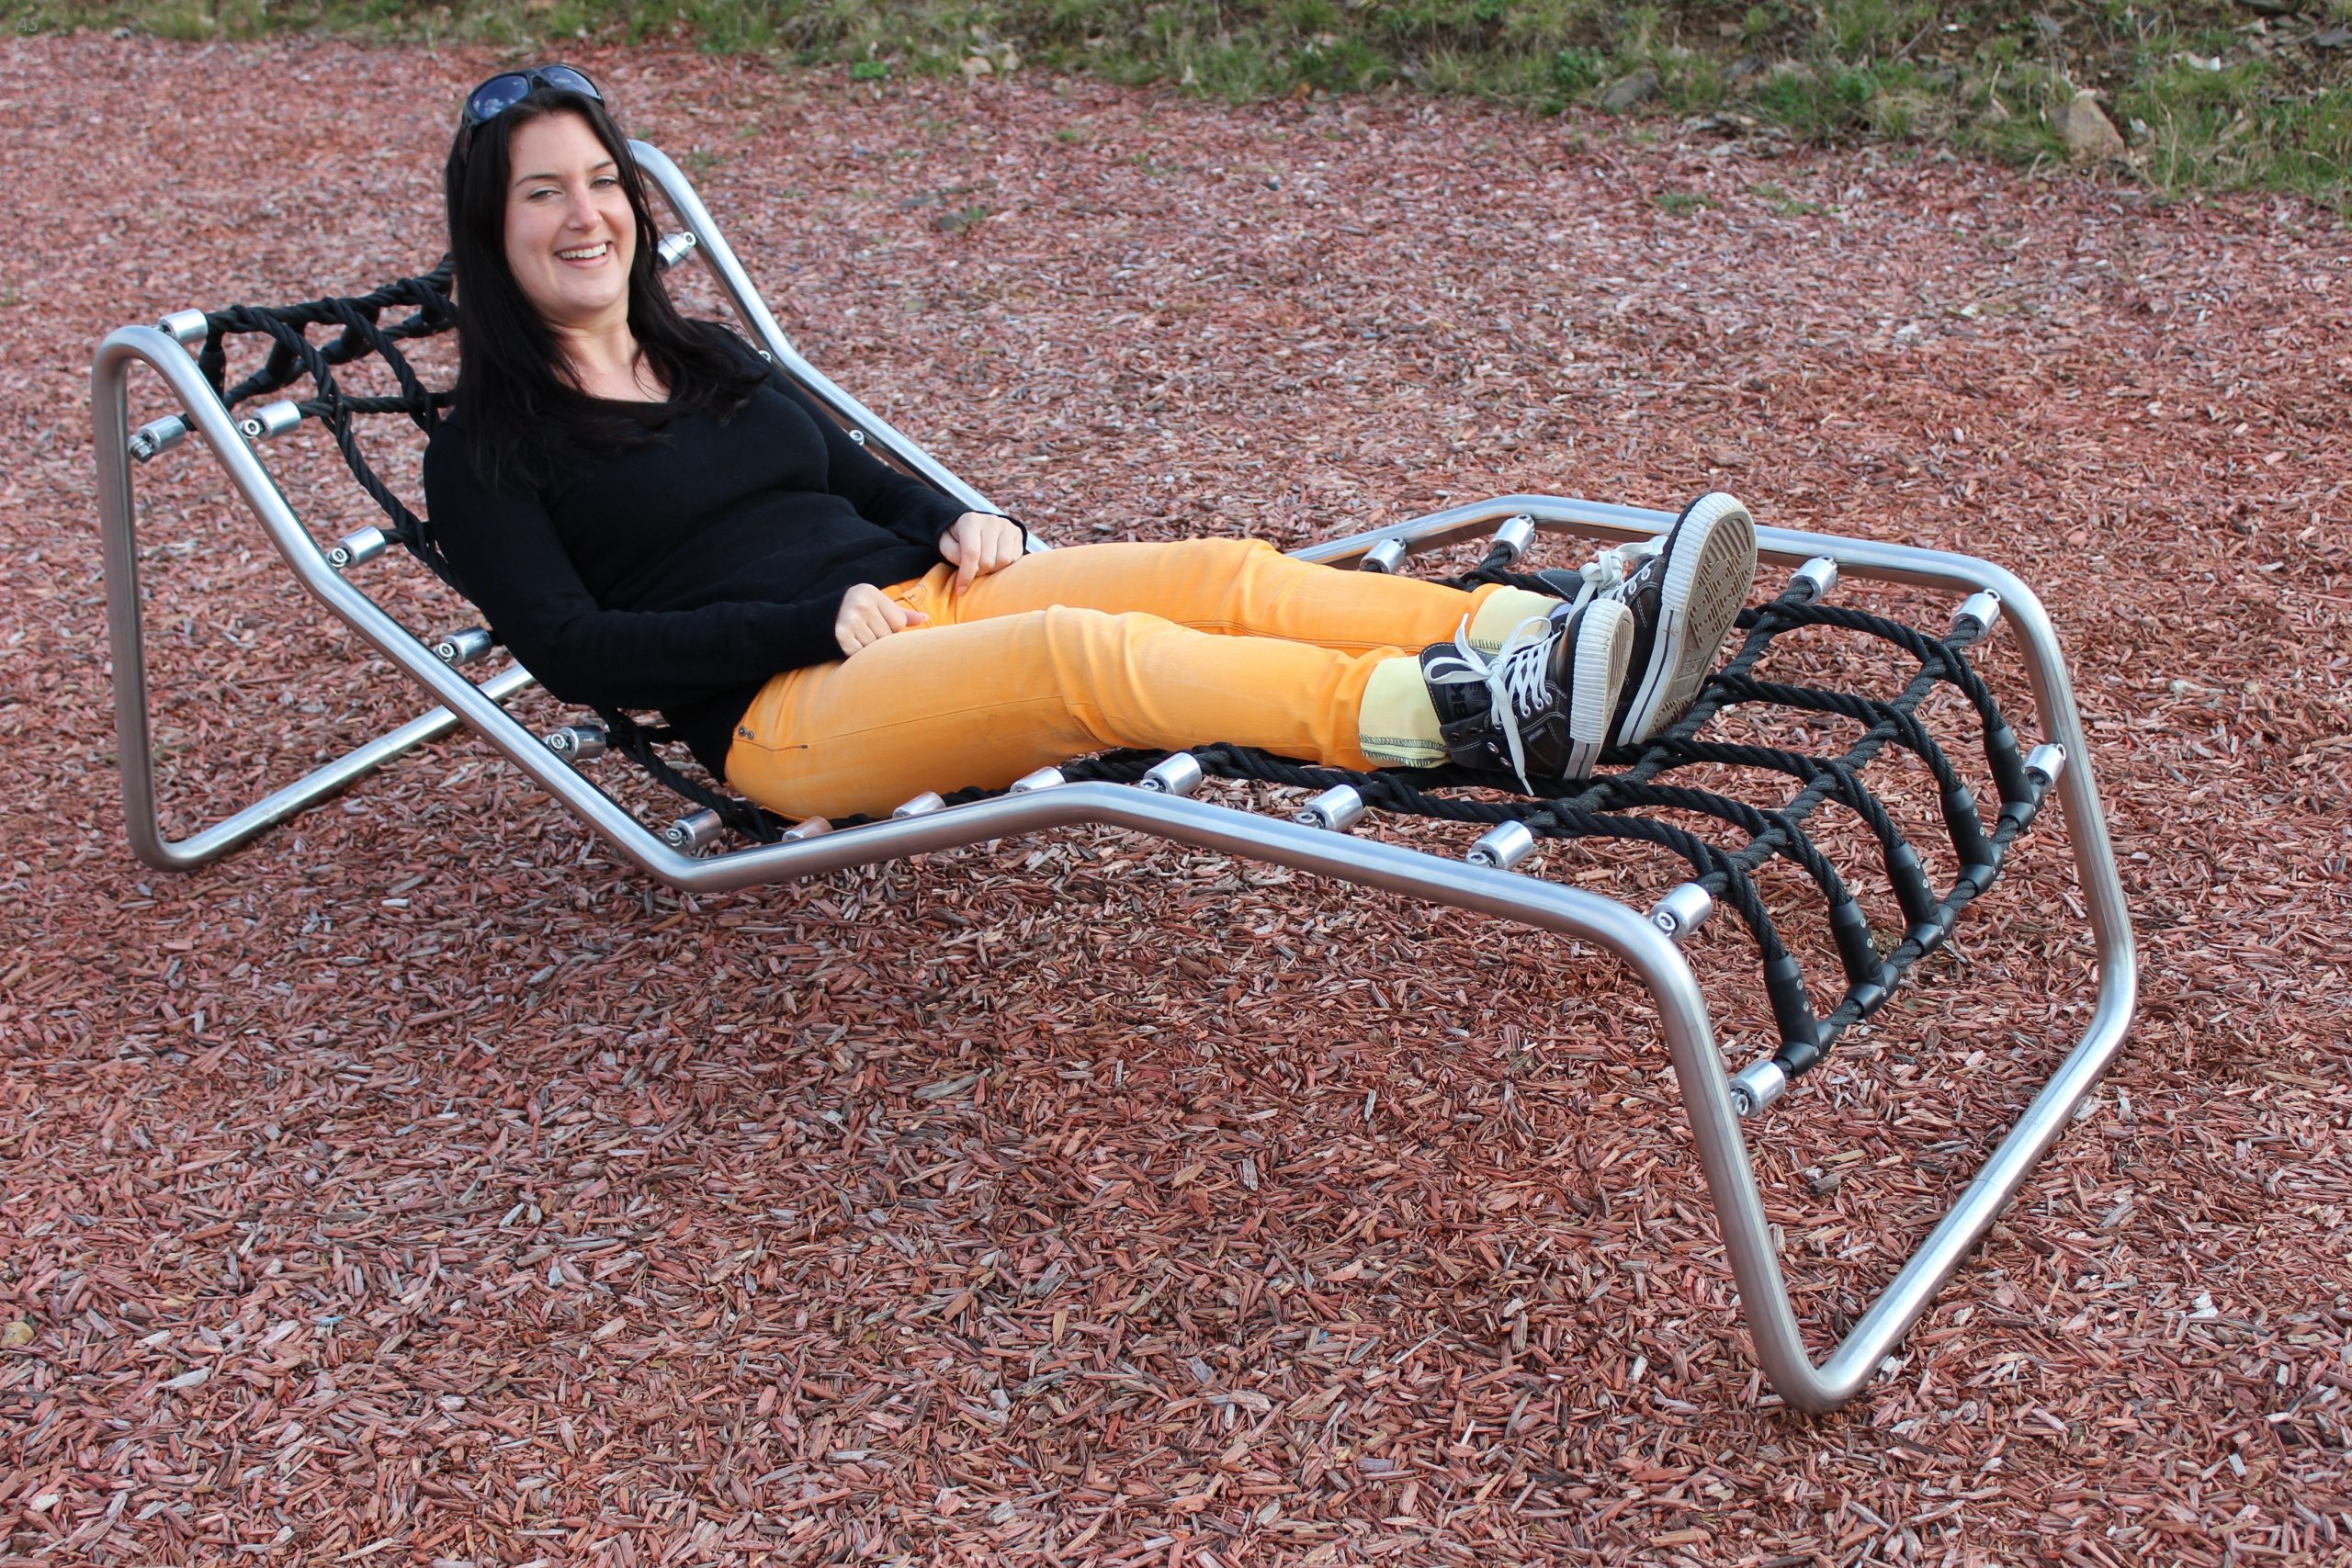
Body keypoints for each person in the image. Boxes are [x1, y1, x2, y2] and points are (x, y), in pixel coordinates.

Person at [424, 66, 1760, 823]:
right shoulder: (481, 452)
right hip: (786, 708)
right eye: (544, 193)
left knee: (1217, 575)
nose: (586, 215)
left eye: (602, 181)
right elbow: (576, 656)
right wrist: (801, 622)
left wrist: (950, 517)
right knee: (1088, 658)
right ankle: (1475, 720)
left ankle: (1553, 637)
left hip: (927, 593)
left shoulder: (710, 353)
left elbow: (851, 478)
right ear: (491, 229)